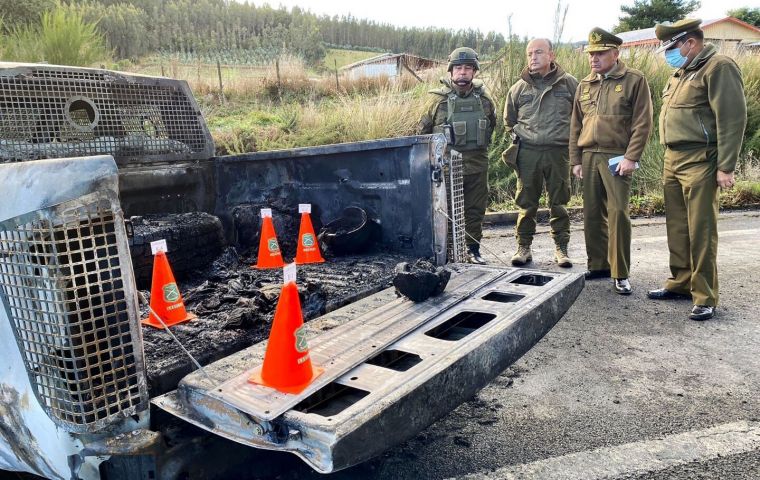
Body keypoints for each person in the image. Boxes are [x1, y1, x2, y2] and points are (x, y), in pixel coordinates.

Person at [647, 19, 747, 321]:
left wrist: (726, 166)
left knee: (701, 230)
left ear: (690, 43)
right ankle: (680, 283)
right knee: (677, 226)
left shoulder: (718, 67)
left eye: (672, 47)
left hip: (701, 159)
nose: (668, 54)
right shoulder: (681, 73)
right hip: (673, 158)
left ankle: (705, 295)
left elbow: (732, 119)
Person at [569, 27, 653, 295]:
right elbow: (575, 125)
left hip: (617, 156)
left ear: (616, 53)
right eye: (591, 54)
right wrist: (576, 160)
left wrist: (632, 157)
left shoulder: (633, 80)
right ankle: (598, 265)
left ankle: (620, 272)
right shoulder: (585, 84)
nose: (594, 58)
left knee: (617, 213)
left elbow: (643, 122)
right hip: (589, 155)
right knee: (592, 213)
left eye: (601, 53)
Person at [417, 47, 497, 264]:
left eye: (468, 68)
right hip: (445, 168)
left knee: (474, 211)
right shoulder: (436, 101)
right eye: (459, 68)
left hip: (477, 166)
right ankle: (447, 253)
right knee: (444, 212)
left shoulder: (485, 101)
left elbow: (491, 128)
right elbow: (421, 135)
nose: (463, 72)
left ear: (474, 72)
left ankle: (473, 250)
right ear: (451, 71)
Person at [504, 38, 578, 268]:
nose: (533, 57)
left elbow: (581, 117)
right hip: (528, 154)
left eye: (538, 52)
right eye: (529, 54)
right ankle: (523, 247)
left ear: (551, 55)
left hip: (558, 153)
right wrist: (521, 139)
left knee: (560, 202)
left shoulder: (569, 85)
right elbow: (509, 121)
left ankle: (561, 248)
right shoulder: (518, 88)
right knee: (526, 204)